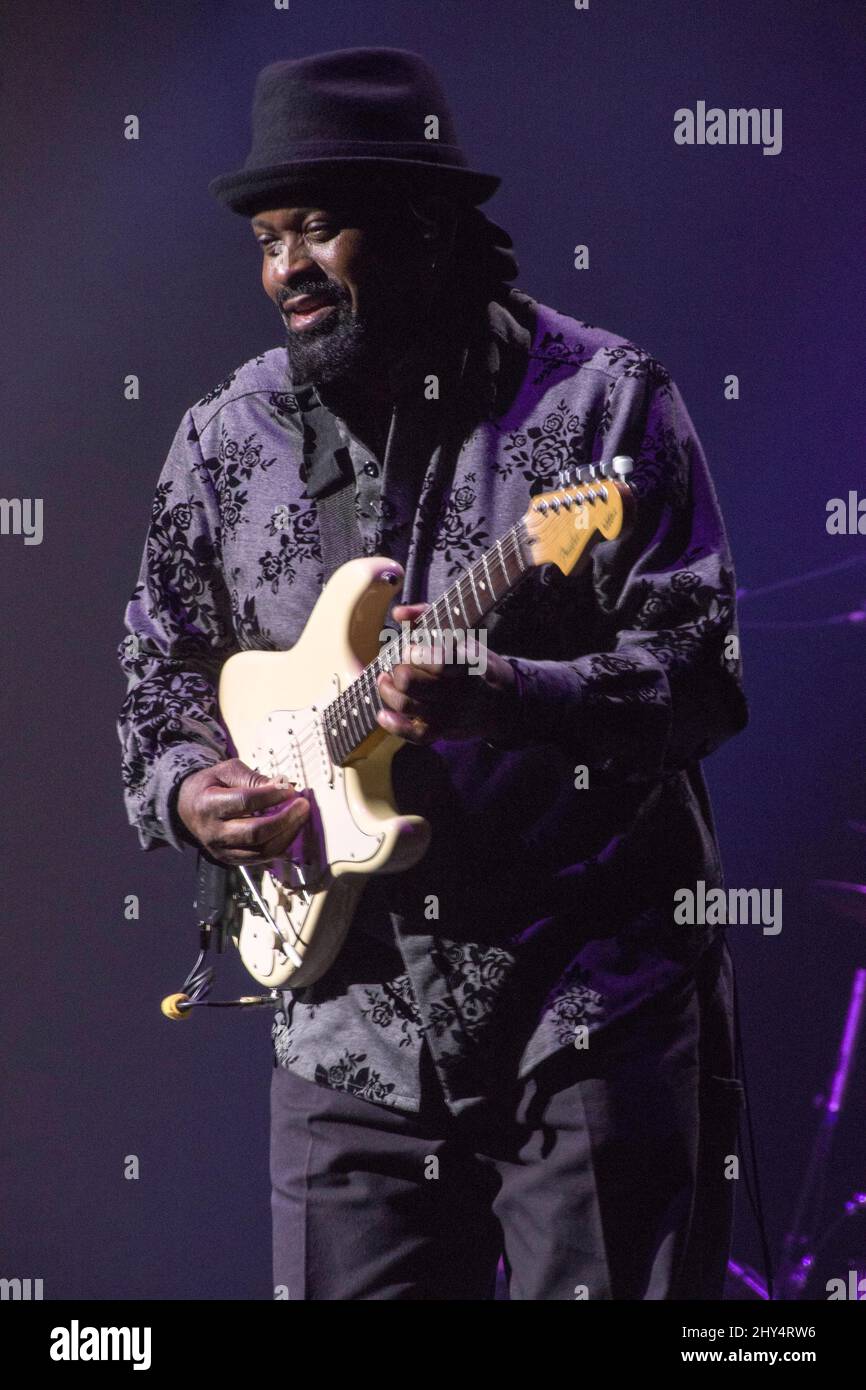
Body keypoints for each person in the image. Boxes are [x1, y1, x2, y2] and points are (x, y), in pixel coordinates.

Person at [117, 47, 749, 1300]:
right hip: (343, 1031)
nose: (284, 268)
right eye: (266, 237)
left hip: (580, 1006)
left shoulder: (601, 405)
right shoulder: (222, 437)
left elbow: (701, 676)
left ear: (420, 222)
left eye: (317, 228)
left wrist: (508, 695)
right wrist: (192, 792)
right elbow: (157, 676)